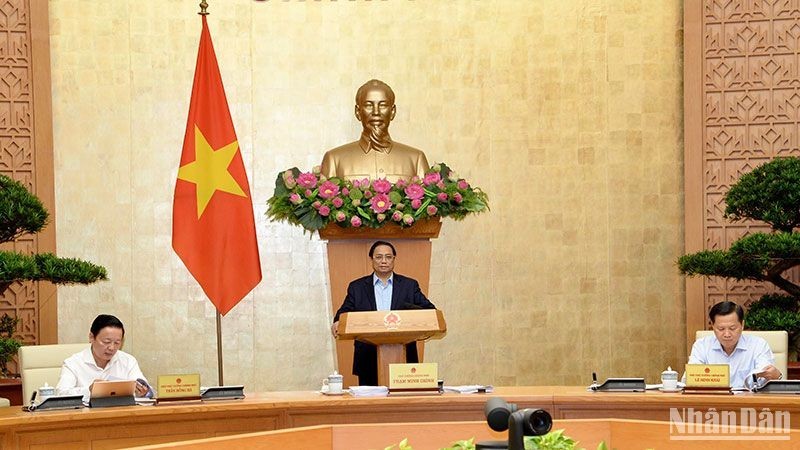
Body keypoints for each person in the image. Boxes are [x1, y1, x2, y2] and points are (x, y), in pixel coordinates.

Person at [331, 241, 436, 386]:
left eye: (388, 257)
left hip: (404, 355)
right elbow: (344, 312)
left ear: (394, 259)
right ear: (372, 260)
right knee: (370, 405)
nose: (384, 261)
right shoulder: (357, 287)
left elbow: (430, 311)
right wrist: (338, 321)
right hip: (368, 356)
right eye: (379, 257)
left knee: (404, 402)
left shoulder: (409, 285)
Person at [320, 79, 430, 182]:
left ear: (392, 112)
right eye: (368, 105)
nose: (376, 112)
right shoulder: (334, 159)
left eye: (383, 105)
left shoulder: (416, 159)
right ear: (358, 112)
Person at [686, 301, 782, 389]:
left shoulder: (758, 345)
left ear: (742, 325)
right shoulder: (701, 346)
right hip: (713, 402)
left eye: (732, 328)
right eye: (721, 329)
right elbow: (691, 378)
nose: (727, 334)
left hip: (749, 403)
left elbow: (764, 378)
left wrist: (774, 375)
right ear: (713, 326)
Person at [56, 314, 152, 400]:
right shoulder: (73, 363)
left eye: (117, 343)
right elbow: (61, 394)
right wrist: (89, 390)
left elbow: (145, 389)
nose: (112, 348)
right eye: (106, 342)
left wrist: (143, 391)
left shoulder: (128, 361)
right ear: (91, 337)